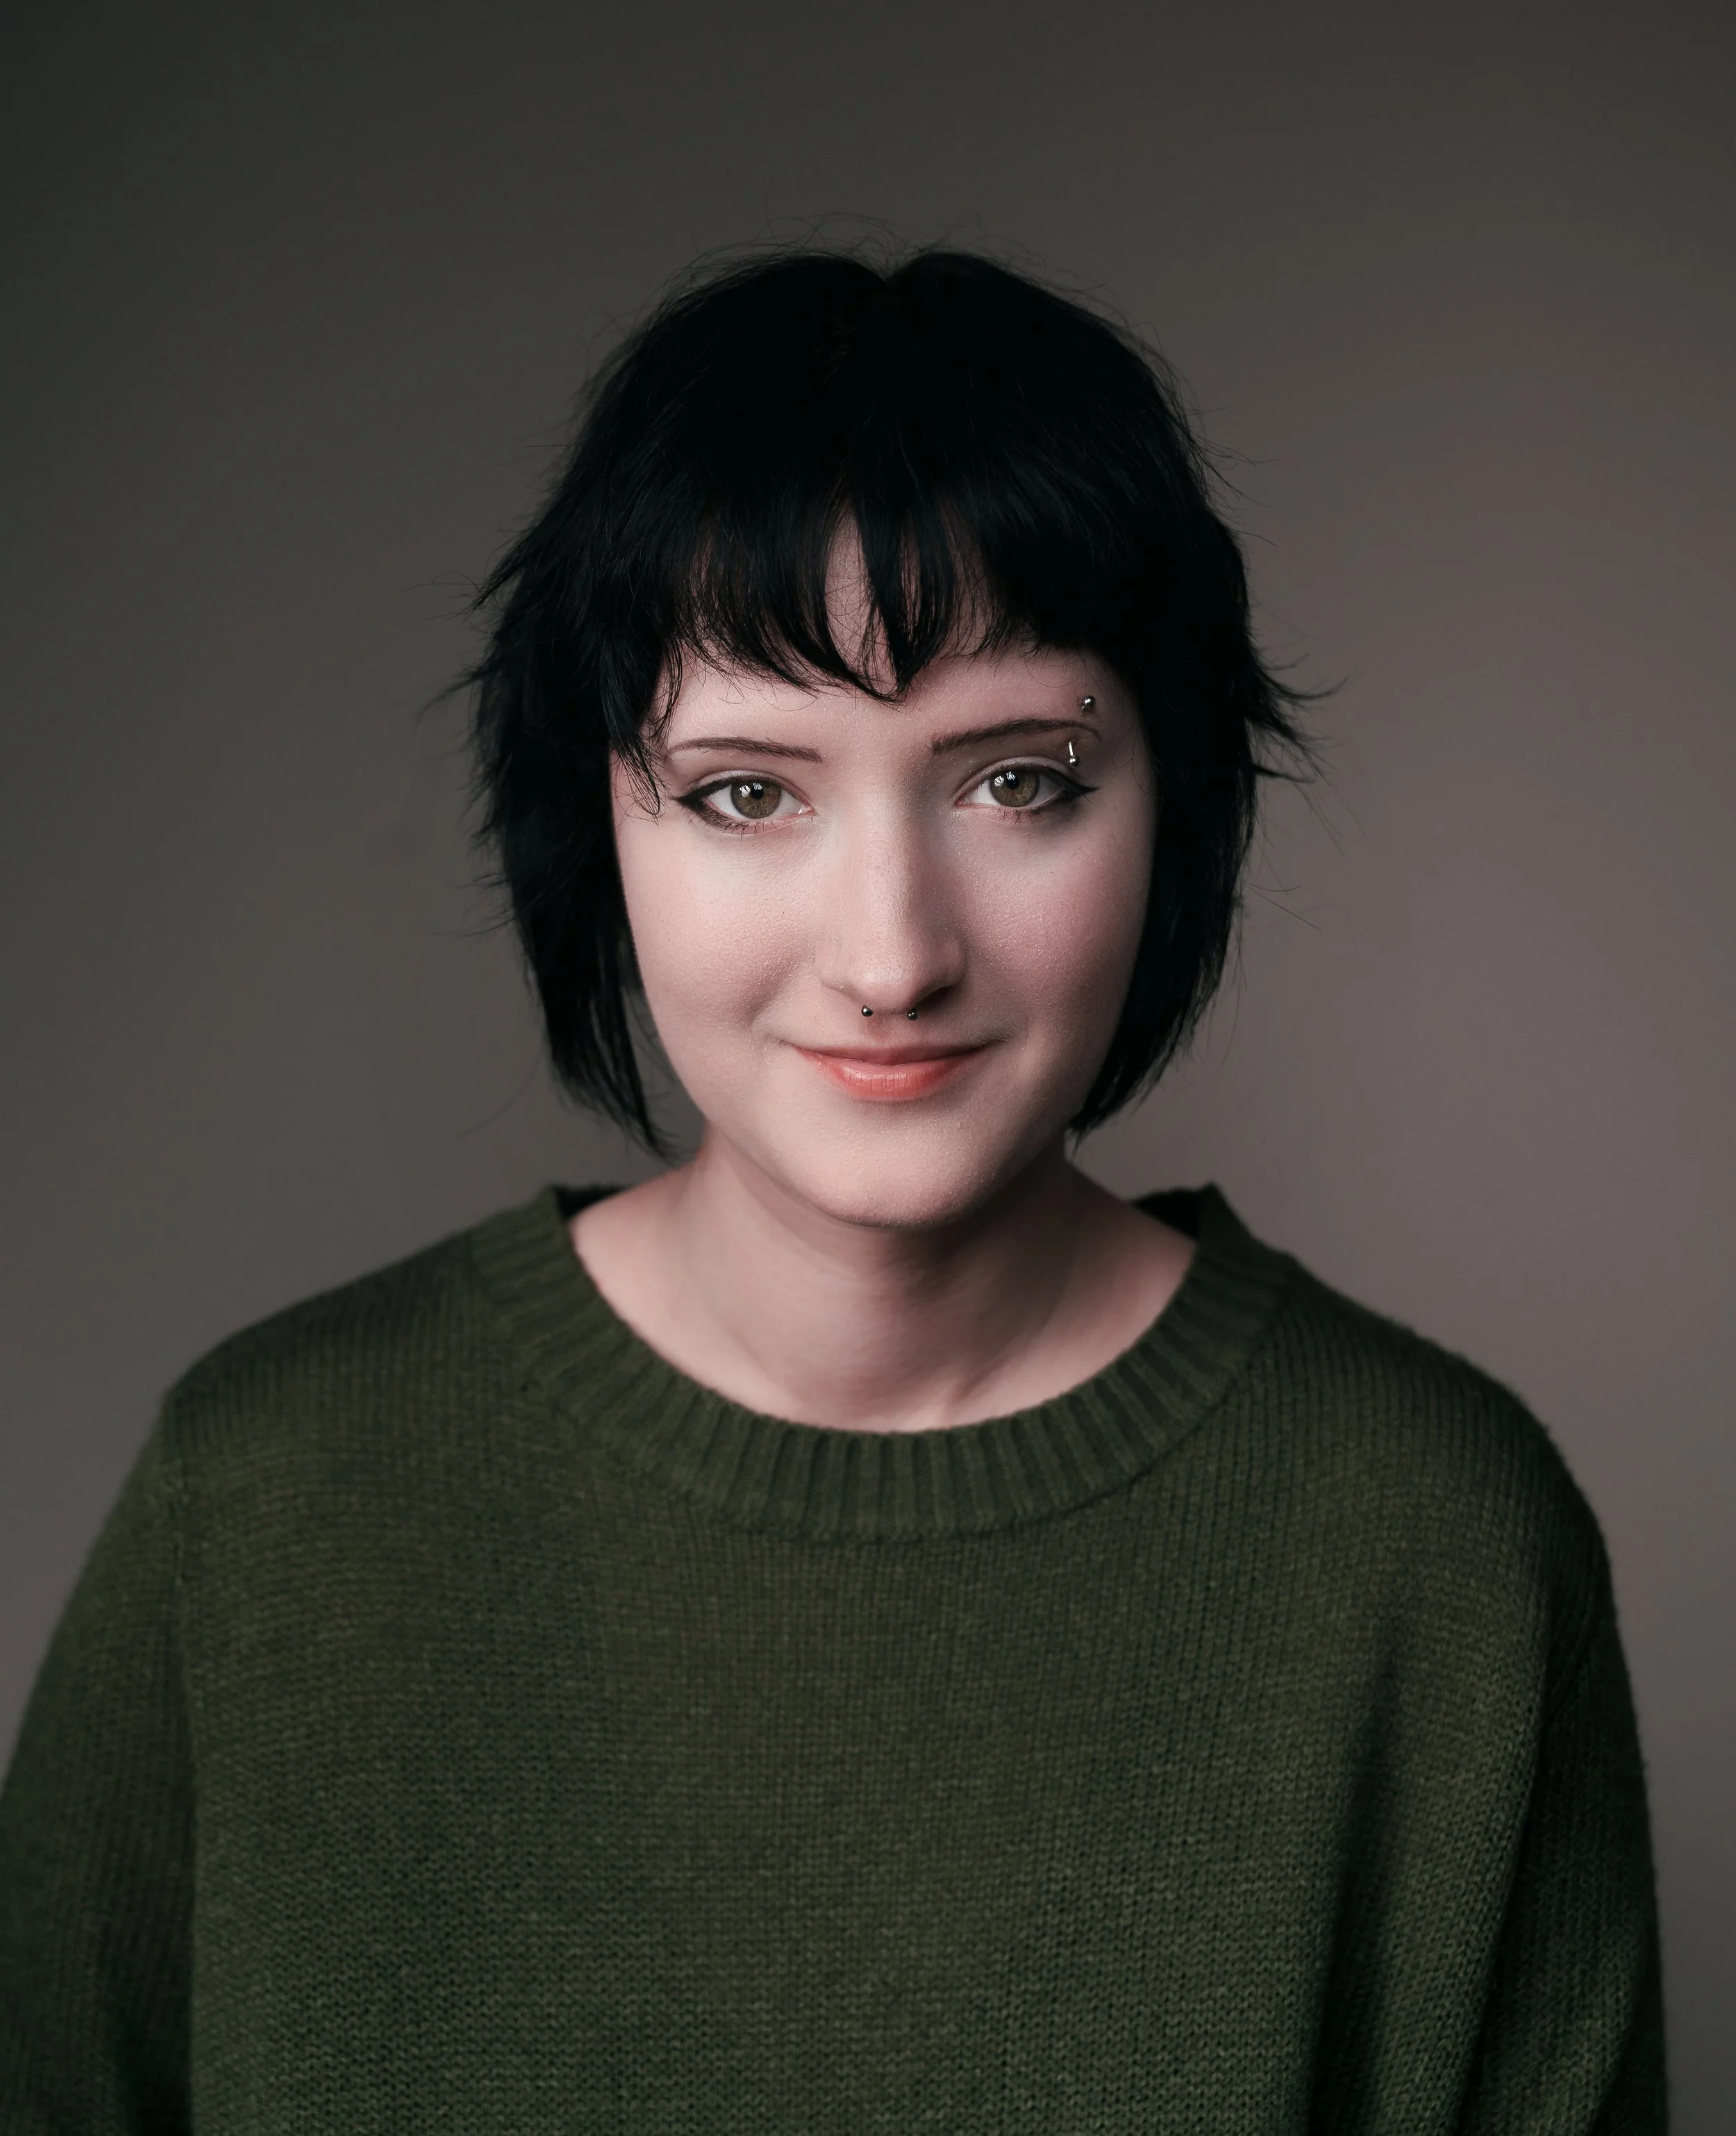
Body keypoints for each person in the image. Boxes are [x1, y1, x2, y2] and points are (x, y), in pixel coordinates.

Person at [0, 247, 1664, 2131]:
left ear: (1177, 804)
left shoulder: (1437, 1547)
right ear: (594, 824)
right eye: (743, 792)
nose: (890, 953)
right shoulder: (265, 1499)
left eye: (1018, 781)